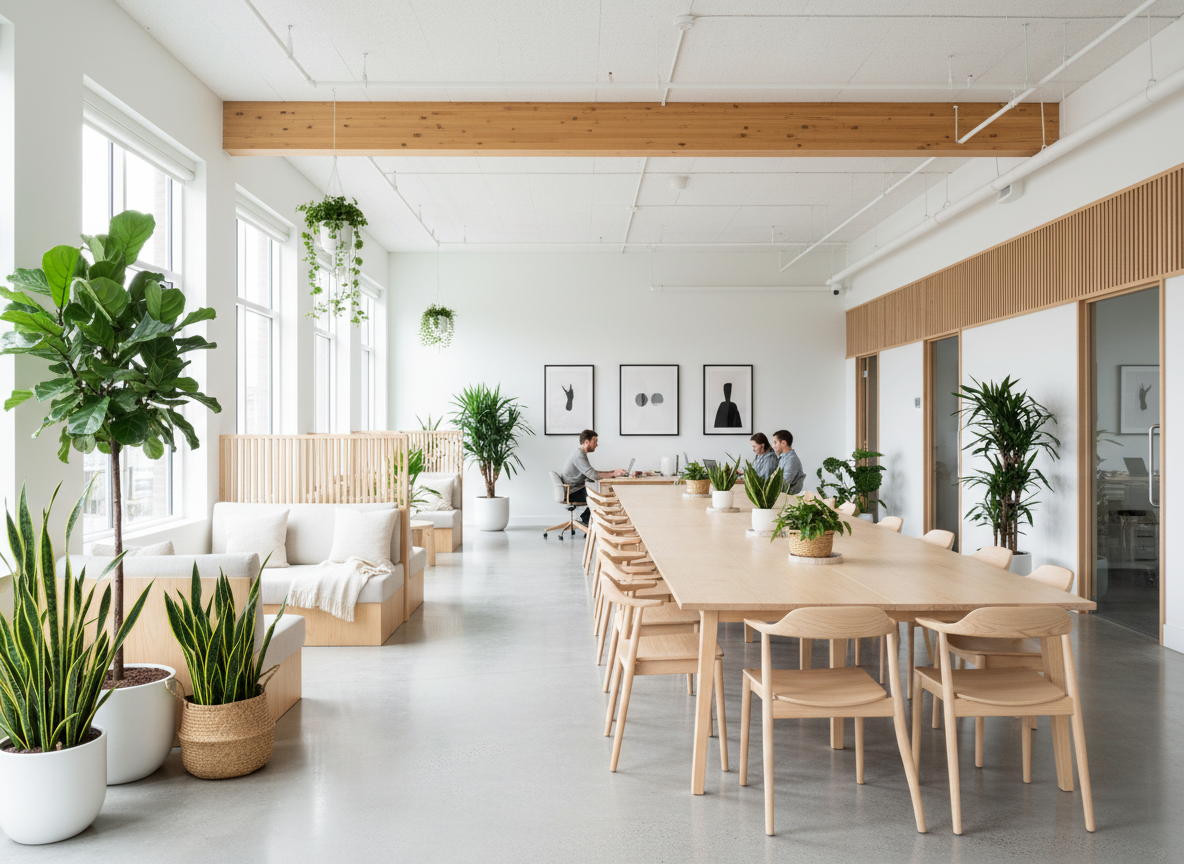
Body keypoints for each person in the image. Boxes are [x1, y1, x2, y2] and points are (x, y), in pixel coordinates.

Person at [562, 429, 626, 526]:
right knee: (602, 495)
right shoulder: (579, 455)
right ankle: (587, 520)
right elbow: (592, 475)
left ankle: (587, 518)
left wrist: (613, 472)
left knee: (601, 492)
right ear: (586, 442)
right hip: (573, 492)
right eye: (595, 441)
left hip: (576, 489)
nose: (596, 445)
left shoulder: (580, 454)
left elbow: (591, 473)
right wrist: (613, 474)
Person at [772, 429, 806, 494]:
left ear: (784, 443)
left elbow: (783, 486)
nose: (773, 446)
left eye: (775, 442)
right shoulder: (783, 458)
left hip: (787, 499)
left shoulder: (791, 460)